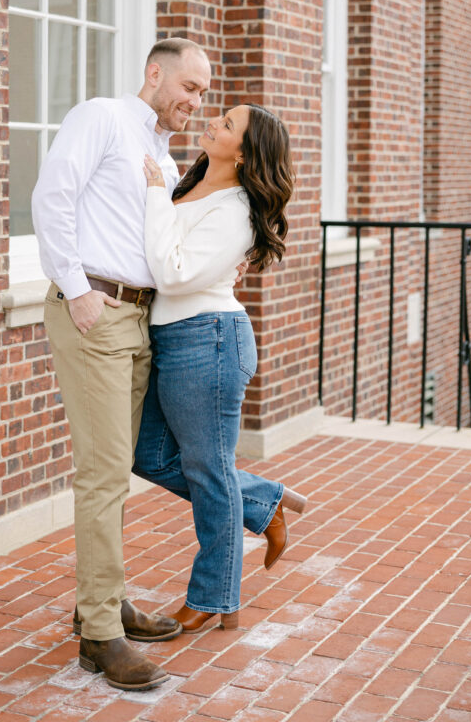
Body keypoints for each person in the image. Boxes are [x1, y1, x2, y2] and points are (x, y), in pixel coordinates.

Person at [32, 38, 212, 691]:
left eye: (201, 93)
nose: (194, 101)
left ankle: (97, 602)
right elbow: (52, 195)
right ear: (154, 72)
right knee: (104, 473)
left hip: (140, 318)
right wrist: (76, 289)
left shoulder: (161, 156)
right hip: (97, 311)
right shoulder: (102, 116)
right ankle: (100, 634)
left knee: (118, 467)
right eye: (188, 87)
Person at [133, 103, 306, 631]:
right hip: (172, 338)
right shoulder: (190, 184)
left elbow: (174, 271)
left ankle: (212, 598)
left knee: (208, 473)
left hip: (207, 340)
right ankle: (263, 500)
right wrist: (164, 194)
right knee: (148, 455)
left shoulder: (236, 209)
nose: (213, 122)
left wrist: (156, 195)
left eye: (227, 126)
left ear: (245, 153)